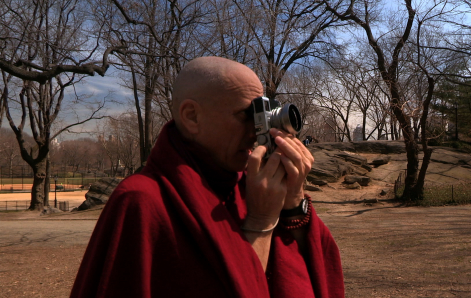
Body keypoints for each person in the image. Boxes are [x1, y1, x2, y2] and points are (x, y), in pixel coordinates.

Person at [70, 57, 344, 298]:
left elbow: (311, 276)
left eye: (261, 116)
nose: (256, 132)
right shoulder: (141, 201)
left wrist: (293, 202)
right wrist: (261, 221)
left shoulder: (251, 187)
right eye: (245, 115)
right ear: (192, 117)